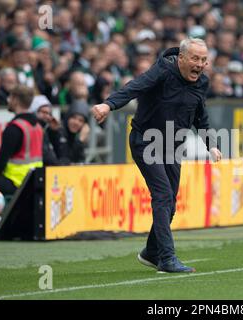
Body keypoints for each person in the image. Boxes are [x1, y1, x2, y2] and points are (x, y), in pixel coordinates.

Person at [91, 38, 222, 273]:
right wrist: (108, 105)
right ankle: (167, 258)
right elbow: (135, 87)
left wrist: (211, 145)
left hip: (173, 145)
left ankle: (151, 252)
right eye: (195, 59)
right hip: (147, 141)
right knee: (162, 196)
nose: (200, 64)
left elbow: (201, 115)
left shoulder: (202, 82)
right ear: (181, 58)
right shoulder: (162, 71)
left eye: (204, 60)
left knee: (170, 204)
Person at [0, 85, 43, 237]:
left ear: (16, 100)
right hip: (33, 182)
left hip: (15, 182)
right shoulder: (37, 126)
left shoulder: (15, 128)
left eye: (10, 98)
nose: (8, 100)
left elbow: (1, 161)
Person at [29, 95, 69, 166]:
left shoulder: (47, 130)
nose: (47, 116)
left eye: (49, 113)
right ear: (34, 111)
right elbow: (46, 155)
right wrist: (58, 165)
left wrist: (55, 132)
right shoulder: (32, 129)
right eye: (44, 112)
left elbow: (62, 153)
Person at [60, 99, 90, 164]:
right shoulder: (59, 133)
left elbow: (80, 160)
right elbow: (66, 159)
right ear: (68, 117)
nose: (76, 122)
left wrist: (81, 140)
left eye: (80, 120)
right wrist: (80, 140)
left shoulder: (77, 136)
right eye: (73, 118)